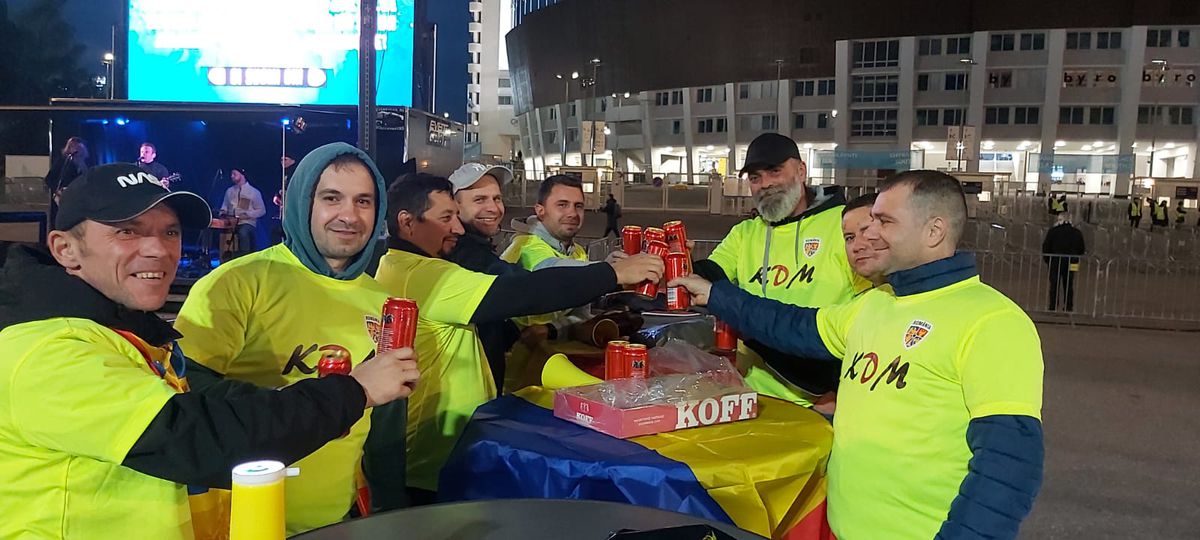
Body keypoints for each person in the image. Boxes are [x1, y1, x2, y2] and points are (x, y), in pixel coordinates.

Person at [0, 163, 418, 539]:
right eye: (126, 230)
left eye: (170, 232)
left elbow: (212, 402)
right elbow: (201, 436)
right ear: (64, 249)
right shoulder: (48, 350)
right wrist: (354, 392)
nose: (158, 249)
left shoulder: (125, 334)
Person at [670, 169, 1044, 540]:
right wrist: (716, 294)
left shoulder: (993, 321)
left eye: (884, 222)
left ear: (934, 231)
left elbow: (1008, 466)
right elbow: (791, 325)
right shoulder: (874, 305)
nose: (871, 233)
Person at [174, 144, 420, 533]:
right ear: (303, 202)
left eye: (364, 201)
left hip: (337, 521)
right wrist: (314, 403)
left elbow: (384, 422)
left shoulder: (382, 302)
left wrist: (390, 513)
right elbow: (185, 391)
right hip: (238, 523)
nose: (349, 216)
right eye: (331, 198)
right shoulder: (237, 283)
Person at [374, 173, 663, 501]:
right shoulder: (424, 275)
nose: (456, 227)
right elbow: (521, 291)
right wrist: (613, 274)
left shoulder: (398, 265)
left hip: (439, 444)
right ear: (408, 223)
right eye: (446, 218)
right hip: (433, 455)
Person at [689, 133, 868, 408]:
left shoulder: (844, 225)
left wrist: (835, 385)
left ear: (801, 171)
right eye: (755, 178)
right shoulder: (745, 233)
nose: (766, 185)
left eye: (774, 171)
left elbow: (868, 316)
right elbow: (708, 277)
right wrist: (679, 258)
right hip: (754, 395)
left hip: (823, 400)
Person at [445, 162, 523, 388]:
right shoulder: (466, 253)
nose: (494, 208)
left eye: (497, 198)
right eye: (480, 200)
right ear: (454, 206)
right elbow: (521, 285)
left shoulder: (476, 247)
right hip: (464, 392)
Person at [500, 174, 595, 342]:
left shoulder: (578, 252)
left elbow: (581, 315)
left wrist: (551, 330)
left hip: (546, 354)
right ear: (540, 211)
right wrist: (610, 270)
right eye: (562, 205)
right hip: (509, 353)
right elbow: (554, 273)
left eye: (578, 206)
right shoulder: (525, 245)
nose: (572, 213)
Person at [841, 193, 886, 288]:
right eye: (850, 238)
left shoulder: (922, 298)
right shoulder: (861, 302)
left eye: (868, 231)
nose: (857, 247)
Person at [1042, 214, 1086, 312]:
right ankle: (1068, 307)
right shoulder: (1077, 233)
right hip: (1072, 262)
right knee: (1069, 285)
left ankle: (1053, 306)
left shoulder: (1053, 232)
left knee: (1054, 285)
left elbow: (1046, 247)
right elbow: (1081, 249)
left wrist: (1048, 260)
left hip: (1055, 261)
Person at [220, 168, 266, 258]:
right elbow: (224, 207)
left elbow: (262, 210)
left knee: (243, 232)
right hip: (230, 222)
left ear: (242, 174)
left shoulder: (253, 192)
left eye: (234, 173)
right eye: (231, 174)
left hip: (247, 223)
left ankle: (244, 258)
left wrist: (248, 214)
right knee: (224, 233)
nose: (231, 176)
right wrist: (223, 213)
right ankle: (226, 260)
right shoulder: (229, 191)